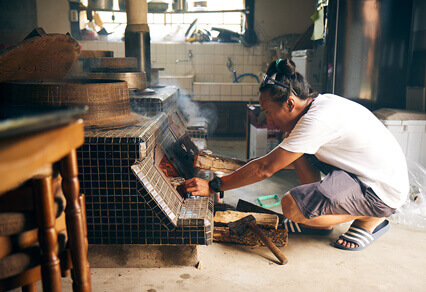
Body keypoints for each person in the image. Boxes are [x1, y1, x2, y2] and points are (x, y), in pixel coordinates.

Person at [178, 58, 409, 251]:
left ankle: (371, 218)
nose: (266, 119)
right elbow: (275, 162)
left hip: (380, 190)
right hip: (361, 175)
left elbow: (265, 168)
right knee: (293, 151)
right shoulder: (316, 107)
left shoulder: (317, 120)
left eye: (268, 112)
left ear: (289, 103)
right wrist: (235, 171)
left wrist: (215, 186)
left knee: (291, 206)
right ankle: (318, 221)